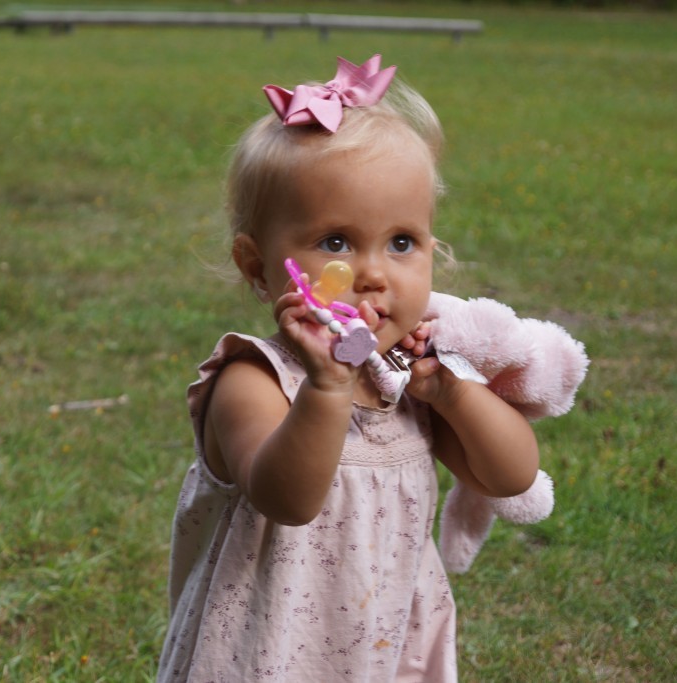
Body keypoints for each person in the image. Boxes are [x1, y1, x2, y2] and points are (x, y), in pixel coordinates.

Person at [157, 55, 540, 682]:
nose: (373, 272)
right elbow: (288, 498)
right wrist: (329, 388)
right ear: (259, 267)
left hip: (382, 649)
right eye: (335, 241)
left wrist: (453, 392)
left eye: (402, 242)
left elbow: (511, 475)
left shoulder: (407, 380)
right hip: (269, 649)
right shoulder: (253, 380)